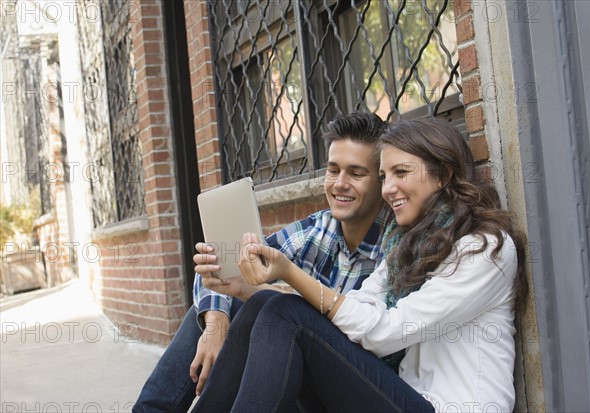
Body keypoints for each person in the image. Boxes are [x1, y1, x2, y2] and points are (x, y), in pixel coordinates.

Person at [193, 118, 528, 412]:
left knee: (286, 314)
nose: (388, 189)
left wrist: (290, 273)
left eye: (401, 172)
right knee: (268, 303)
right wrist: (246, 289)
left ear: (443, 176)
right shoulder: (407, 245)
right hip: (405, 397)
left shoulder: (484, 250)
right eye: (384, 176)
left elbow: (384, 332)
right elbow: (359, 304)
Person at [133, 112, 394, 412]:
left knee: (270, 307)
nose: (340, 184)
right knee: (224, 304)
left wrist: (274, 294)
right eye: (333, 170)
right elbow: (227, 263)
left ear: (382, 181)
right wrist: (216, 322)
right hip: (288, 378)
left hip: (340, 392)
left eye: (356, 173)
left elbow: (361, 339)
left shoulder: (394, 248)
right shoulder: (318, 230)